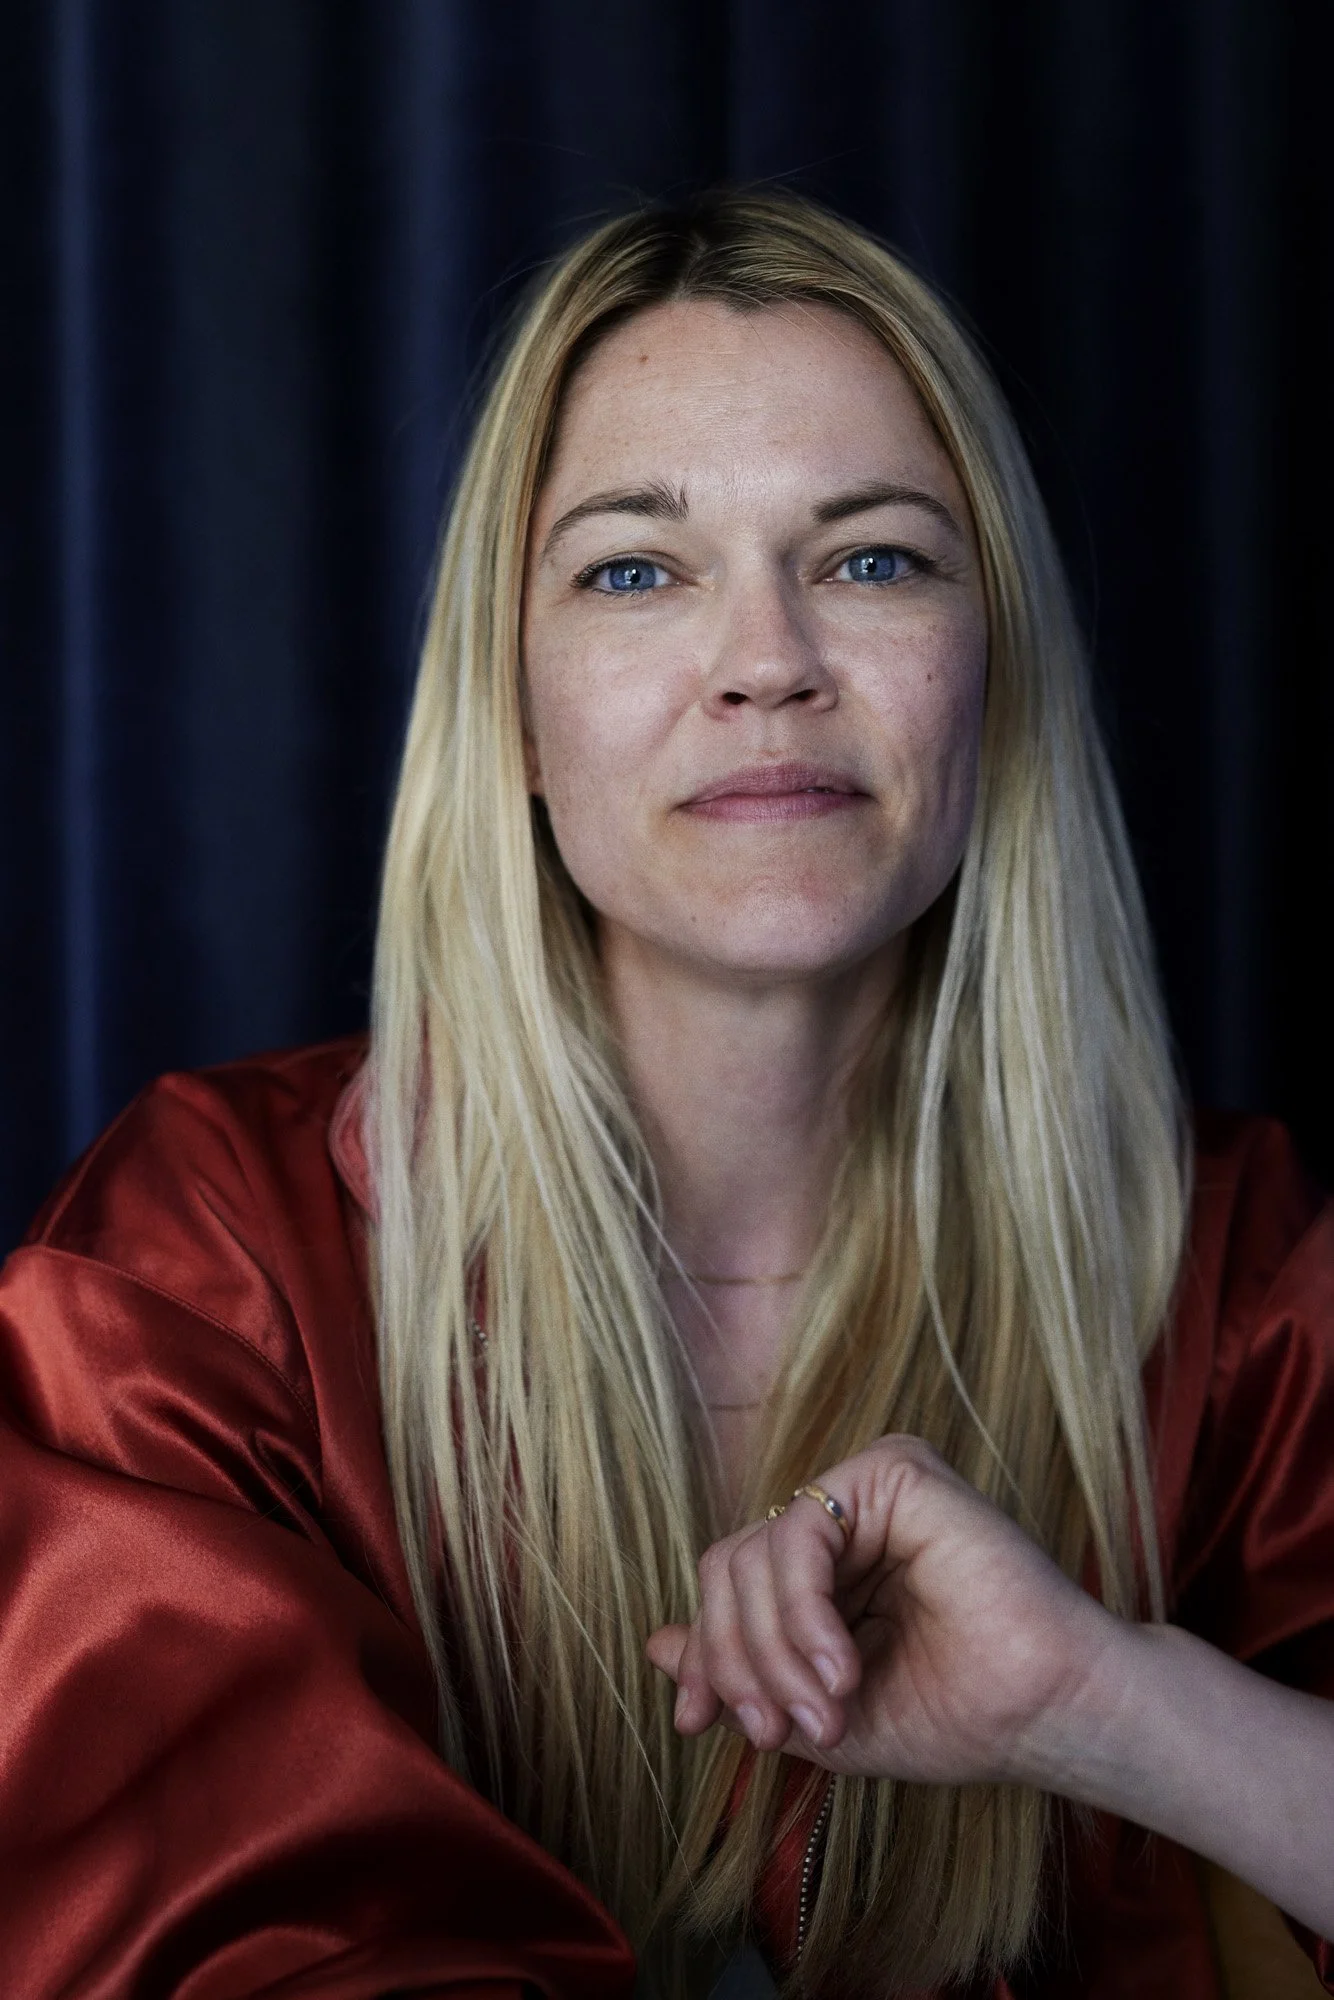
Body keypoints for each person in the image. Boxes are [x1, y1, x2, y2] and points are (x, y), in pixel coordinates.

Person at [1, 190, 1331, 2000]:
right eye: (636, 568)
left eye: (872, 559)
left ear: (991, 682)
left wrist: (1109, 1704)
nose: (766, 656)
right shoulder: (198, 1271)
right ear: (516, 717)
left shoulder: (1248, 1276)